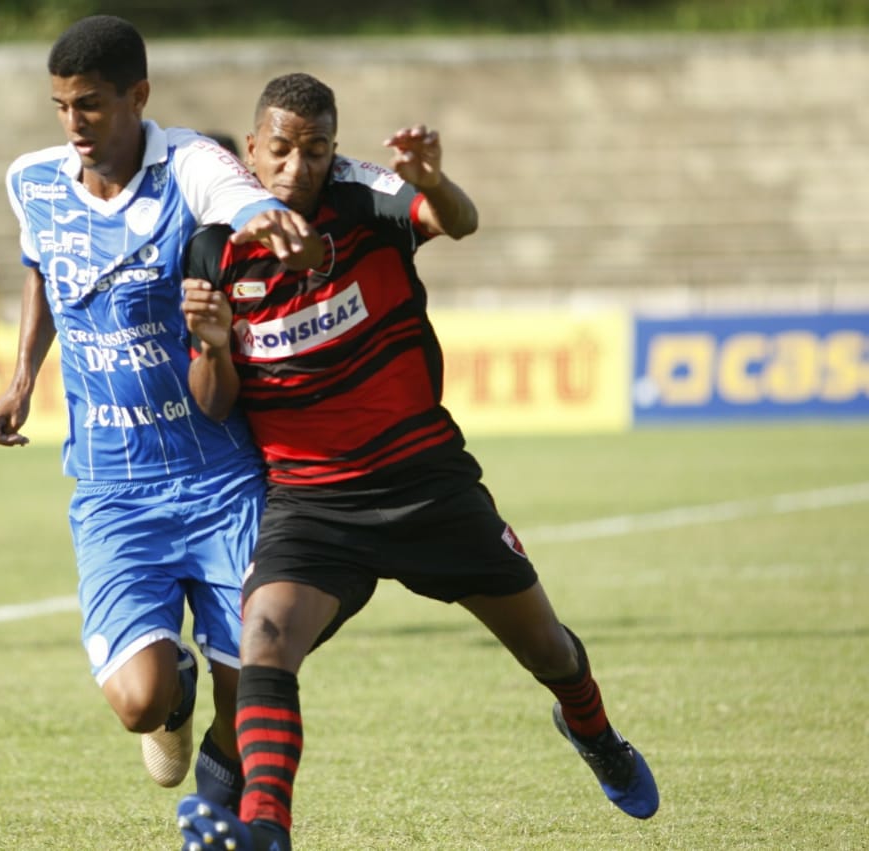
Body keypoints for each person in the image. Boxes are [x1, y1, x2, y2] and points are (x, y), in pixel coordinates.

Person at [174, 72, 659, 851]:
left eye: (316, 150)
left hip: (426, 485)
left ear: (333, 151)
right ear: (254, 150)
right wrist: (214, 343)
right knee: (263, 636)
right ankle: (266, 829)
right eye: (281, 151)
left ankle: (593, 728)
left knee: (546, 648)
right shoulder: (212, 247)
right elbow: (215, 399)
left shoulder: (366, 199)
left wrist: (433, 181)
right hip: (312, 504)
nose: (298, 168)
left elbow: (457, 221)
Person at [0, 16, 322, 811]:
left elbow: (238, 199)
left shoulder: (190, 167)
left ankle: (220, 808)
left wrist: (265, 222)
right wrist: (22, 377)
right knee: (137, 699)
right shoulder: (32, 179)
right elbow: (40, 265)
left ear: (139, 95)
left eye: (91, 105)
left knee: (256, 698)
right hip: (112, 487)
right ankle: (172, 701)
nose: (74, 125)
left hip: (218, 477)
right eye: (62, 106)